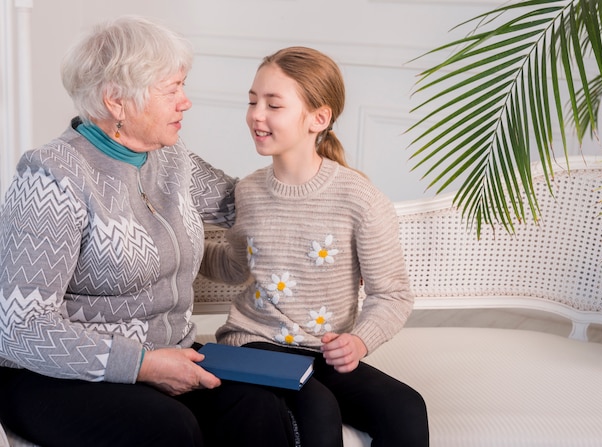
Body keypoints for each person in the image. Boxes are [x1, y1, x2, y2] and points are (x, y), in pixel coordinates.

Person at [0, 16, 296, 447]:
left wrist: (326, 199)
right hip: (50, 375)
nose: (186, 102)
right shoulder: (52, 177)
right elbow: (23, 327)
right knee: (169, 429)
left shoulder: (170, 158)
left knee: (259, 410)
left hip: (169, 357)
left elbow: (243, 204)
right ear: (117, 102)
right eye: (172, 89)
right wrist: (141, 365)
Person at [201, 46, 429, 446]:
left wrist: (358, 341)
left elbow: (391, 294)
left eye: (274, 104)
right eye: (253, 101)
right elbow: (236, 266)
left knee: (407, 407)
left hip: (319, 353)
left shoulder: (359, 198)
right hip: (254, 344)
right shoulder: (249, 192)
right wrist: (186, 247)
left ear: (318, 118)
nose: (257, 114)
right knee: (318, 409)